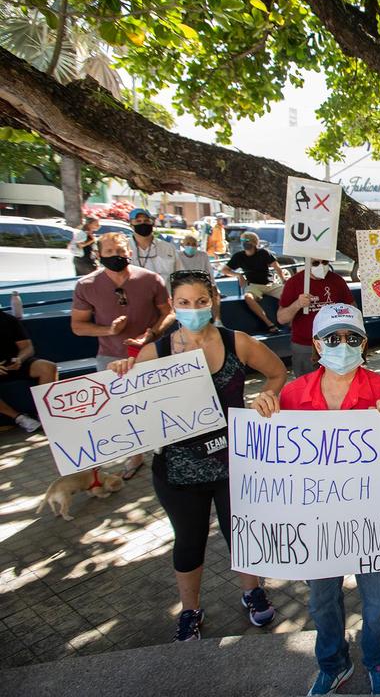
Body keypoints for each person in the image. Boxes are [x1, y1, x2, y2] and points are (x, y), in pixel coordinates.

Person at [107, 269, 286, 641]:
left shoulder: (237, 342)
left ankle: (252, 591)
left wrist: (266, 398)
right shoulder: (153, 353)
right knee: (189, 541)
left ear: (214, 301)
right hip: (178, 470)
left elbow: (276, 372)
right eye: (184, 303)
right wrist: (123, 371)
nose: (193, 309)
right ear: (173, 306)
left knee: (241, 534)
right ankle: (189, 610)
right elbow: (126, 403)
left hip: (234, 463)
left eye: (201, 302)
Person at [260, 303, 380, 695]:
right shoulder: (291, 394)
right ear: (317, 346)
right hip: (317, 521)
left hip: (372, 520)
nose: (343, 345)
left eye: (351, 338)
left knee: (377, 604)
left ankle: (378, 662)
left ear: (364, 343)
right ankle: (333, 663)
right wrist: (263, 412)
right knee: (322, 601)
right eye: (333, 338)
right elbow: (272, 456)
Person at [71, 232, 174, 479]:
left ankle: (167, 451)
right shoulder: (86, 285)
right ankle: (136, 454)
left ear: (129, 251)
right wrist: (108, 330)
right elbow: (78, 325)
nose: (115, 256)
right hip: (111, 357)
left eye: (119, 251)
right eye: (109, 252)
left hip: (151, 353)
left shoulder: (151, 279)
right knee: (124, 410)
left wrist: (150, 335)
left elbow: (168, 313)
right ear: (99, 255)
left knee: (160, 404)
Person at [276, 259, 353, 377]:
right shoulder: (294, 282)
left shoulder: (337, 280)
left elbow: (352, 308)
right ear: (307, 263)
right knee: (306, 388)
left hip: (334, 345)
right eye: (316, 263)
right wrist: (297, 304)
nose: (321, 266)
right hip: (305, 346)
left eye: (325, 262)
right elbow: (281, 318)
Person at [0, 309, 57, 432]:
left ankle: (44, 414)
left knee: (48, 367)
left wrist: (19, 359)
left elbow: (27, 347)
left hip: (14, 364)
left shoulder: (8, 320)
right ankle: (20, 418)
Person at [222, 231, 289, 334]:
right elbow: (225, 270)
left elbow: (276, 266)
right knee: (248, 298)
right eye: (242, 241)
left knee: (290, 295)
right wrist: (238, 275)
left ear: (254, 242)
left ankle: (290, 322)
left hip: (269, 284)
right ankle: (269, 323)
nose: (244, 243)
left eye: (246, 241)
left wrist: (283, 279)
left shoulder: (263, 253)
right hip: (253, 285)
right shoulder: (239, 256)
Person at [127, 207, 179, 281]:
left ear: (152, 223)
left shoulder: (168, 248)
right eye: (138, 221)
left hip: (163, 292)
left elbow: (180, 276)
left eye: (146, 221)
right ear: (131, 225)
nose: (143, 223)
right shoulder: (124, 248)